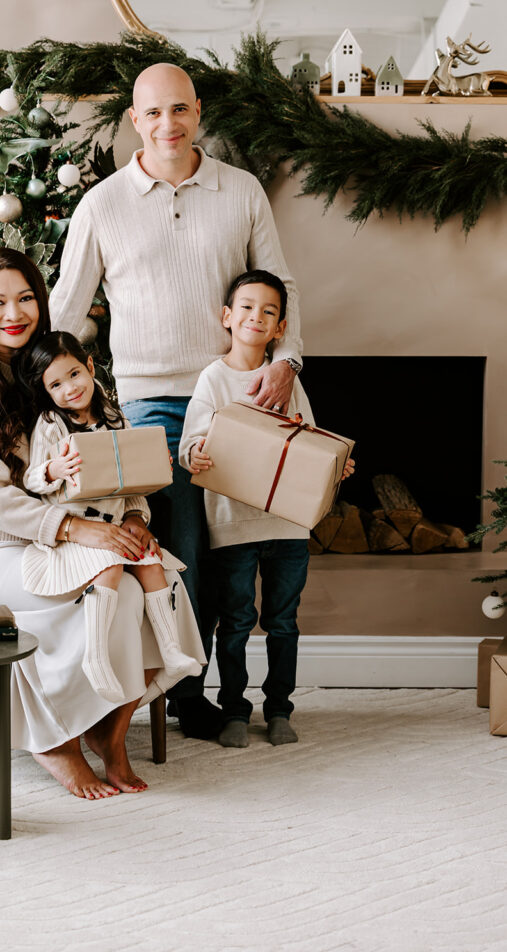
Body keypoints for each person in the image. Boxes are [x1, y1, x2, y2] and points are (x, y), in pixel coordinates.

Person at [49, 62, 304, 740]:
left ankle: (220, 691)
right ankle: (186, 692)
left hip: (234, 396)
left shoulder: (240, 189)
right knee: (183, 543)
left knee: (233, 553)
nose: (168, 124)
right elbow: (66, 313)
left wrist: (286, 362)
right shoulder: (102, 203)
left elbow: (280, 284)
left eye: (180, 110)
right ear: (135, 120)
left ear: (198, 113)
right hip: (147, 405)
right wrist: (37, 396)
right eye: (154, 112)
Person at [0, 247, 202, 800]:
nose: (15, 312)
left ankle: (109, 733)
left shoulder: (51, 371)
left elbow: (108, 461)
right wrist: (78, 531)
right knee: (99, 587)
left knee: (151, 579)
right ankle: (54, 740)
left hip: (61, 534)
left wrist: (128, 517)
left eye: (26, 298)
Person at [179, 270, 355, 748]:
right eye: (248, 307)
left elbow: (310, 439)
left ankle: (279, 709)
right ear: (227, 317)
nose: (257, 317)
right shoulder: (214, 378)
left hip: (289, 524)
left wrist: (335, 464)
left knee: (282, 621)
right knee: (235, 622)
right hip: (233, 526)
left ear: (280, 328)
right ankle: (234, 710)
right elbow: (191, 441)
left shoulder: (286, 379)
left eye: (270, 312)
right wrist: (193, 453)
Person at [19, 330, 203, 702]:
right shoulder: (51, 424)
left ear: (89, 367)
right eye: (56, 384)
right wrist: (53, 468)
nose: (70, 388)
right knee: (110, 566)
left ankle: (170, 650)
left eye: (74, 375)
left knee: (151, 560)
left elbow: (133, 488)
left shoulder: (116, 419)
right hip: (75, 534)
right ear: (46, 391)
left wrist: (147, 484)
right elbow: (30, 478)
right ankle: (96, 656)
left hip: (115, 527)